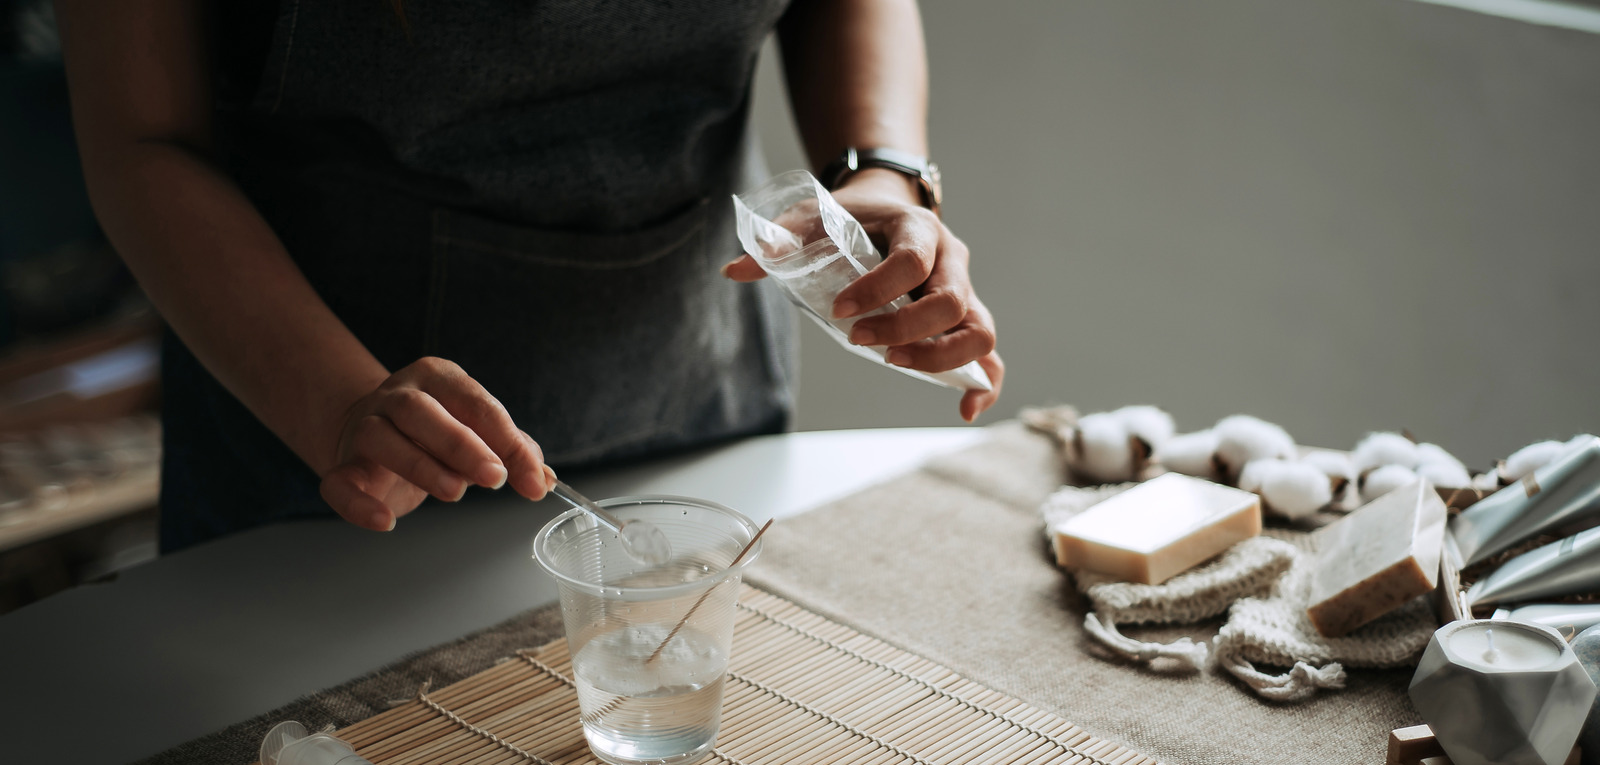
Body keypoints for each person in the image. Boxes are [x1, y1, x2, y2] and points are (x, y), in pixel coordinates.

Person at [55, 0, 1005, 552]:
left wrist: (884, 173)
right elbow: (146, 141)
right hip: (321, 426)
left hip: (699, 383)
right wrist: (340, 404)